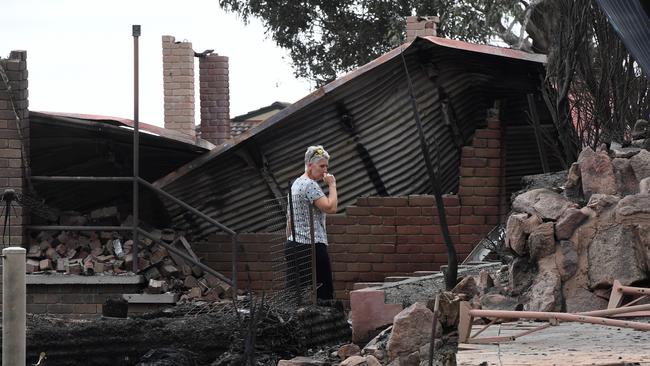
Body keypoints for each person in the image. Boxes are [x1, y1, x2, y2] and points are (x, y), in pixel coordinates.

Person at [286, 145, 337, 302]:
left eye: (327, 166)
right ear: (309, 165)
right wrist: (332, 185)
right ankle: (324, 324)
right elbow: (330, 207)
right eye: (322, 166)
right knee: (324, 292)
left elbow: (289, 218)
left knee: (295, 293)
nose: (325, 170)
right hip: (312, 245)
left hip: (294, 244)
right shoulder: (310, 185)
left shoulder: (296, 184)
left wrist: (288, 239)